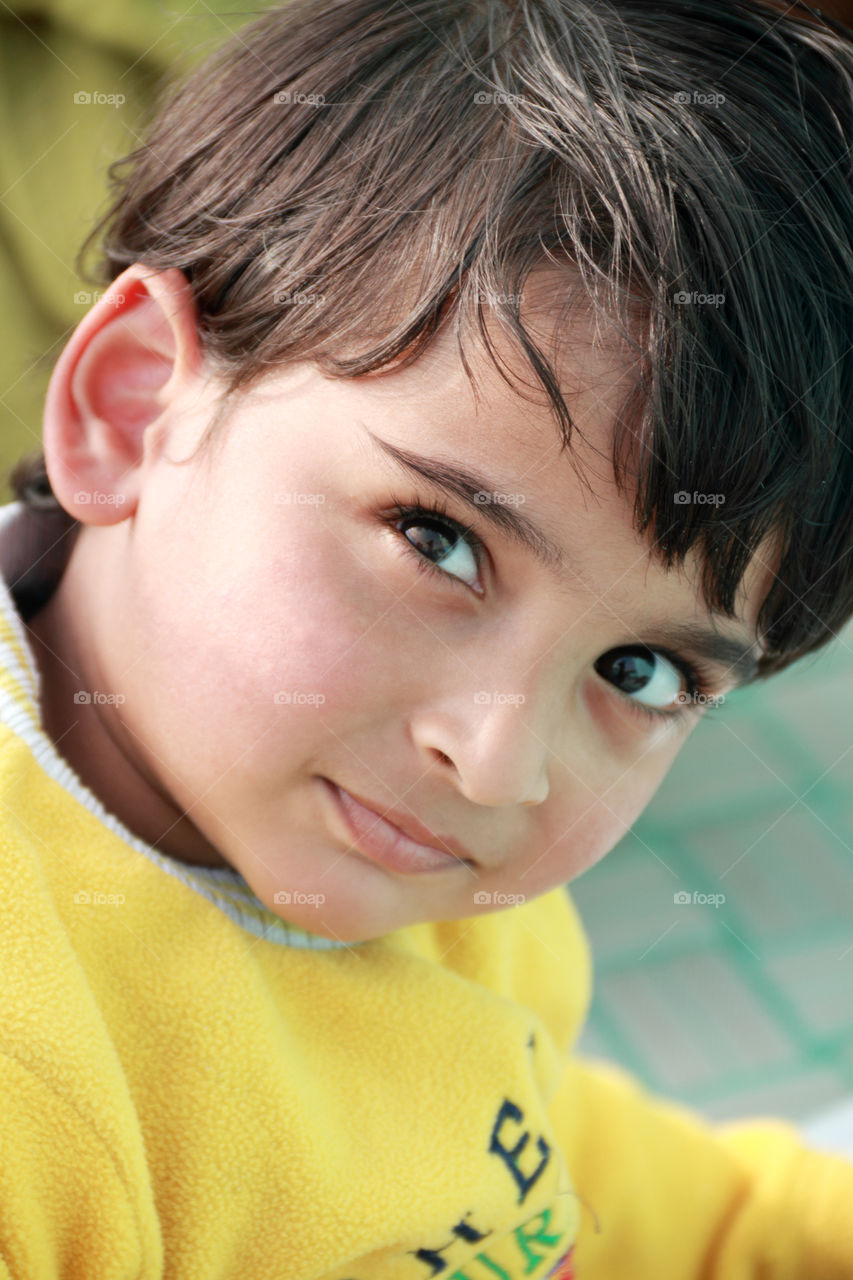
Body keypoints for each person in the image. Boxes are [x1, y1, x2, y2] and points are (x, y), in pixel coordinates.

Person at [1, 0, 852, 1275]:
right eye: (437, 540)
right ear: (133, 410)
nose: (500, 760)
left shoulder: (399, 846)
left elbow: (514, 1147)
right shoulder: (36, 1089)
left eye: (640, 669)